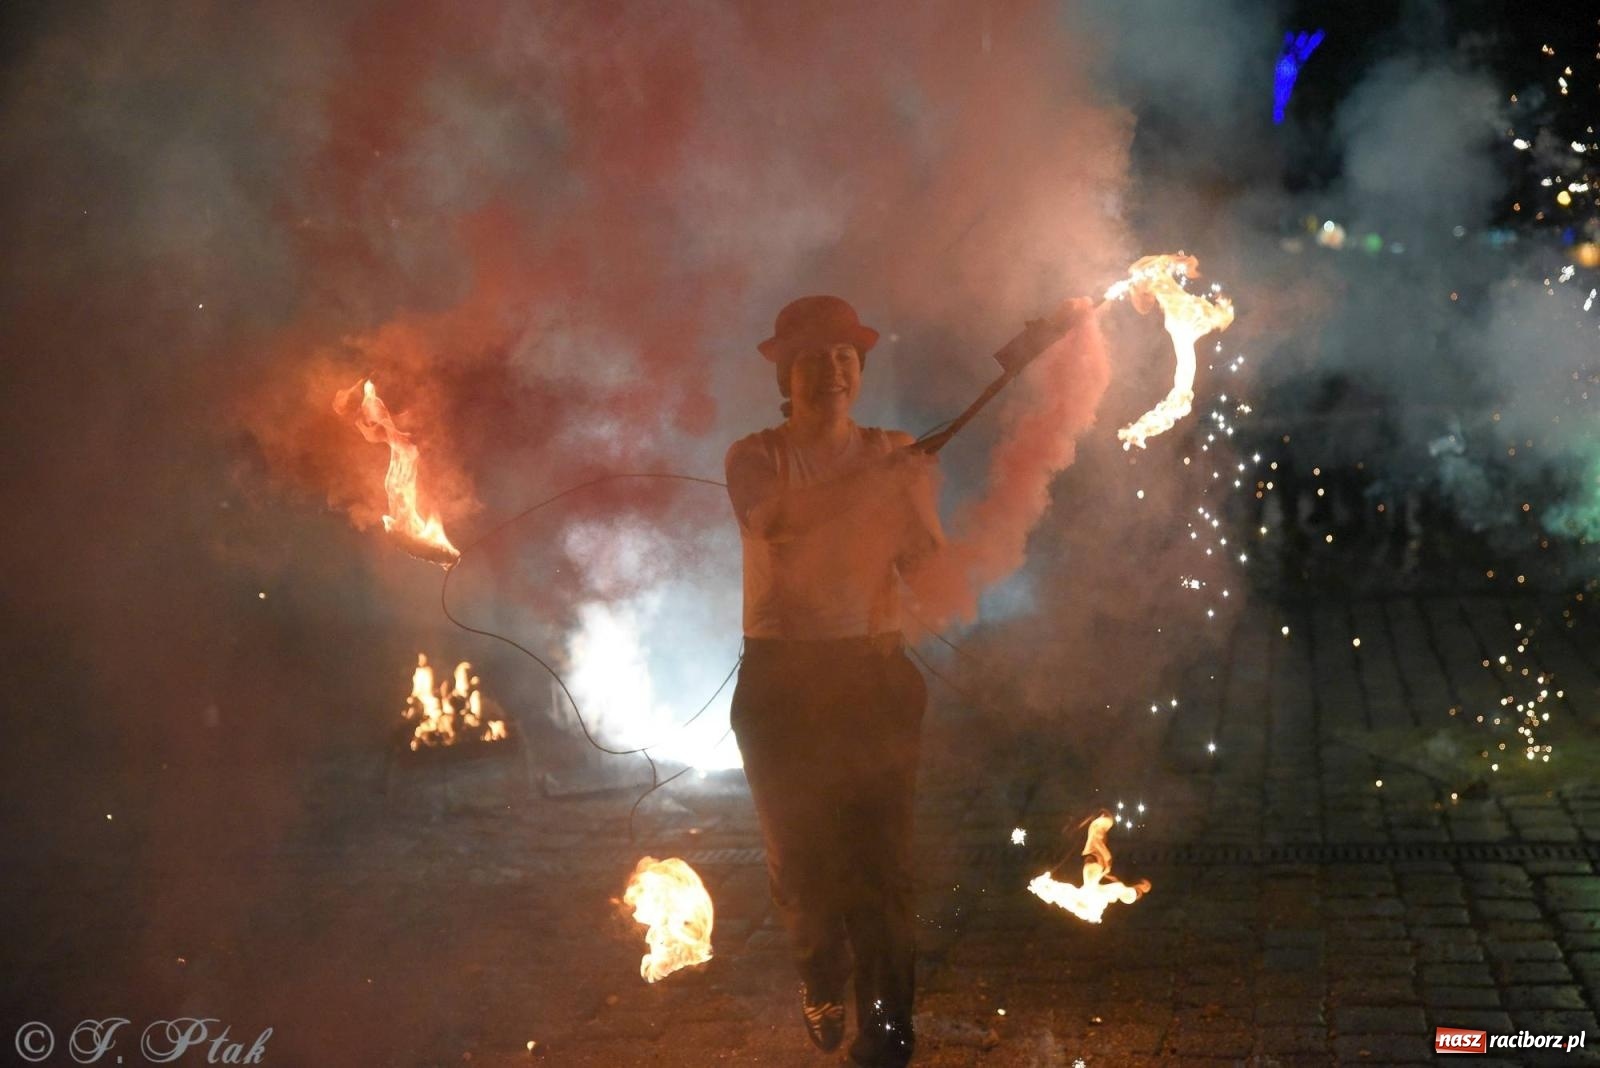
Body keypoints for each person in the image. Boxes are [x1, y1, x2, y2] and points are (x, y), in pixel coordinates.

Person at [725, 295, 943, 1067]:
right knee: (807, 871)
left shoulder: (892, 446)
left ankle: (887, 1029)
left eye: (845, 358)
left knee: (882, 869)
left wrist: (910, 492)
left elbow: (923, 561)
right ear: (788, 373)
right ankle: (820, 973)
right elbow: (775, 523)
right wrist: (873, 486)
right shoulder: (756, 455)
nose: (832, 373)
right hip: (785, 686)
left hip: (875, 673)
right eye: (814, 359)